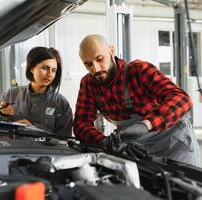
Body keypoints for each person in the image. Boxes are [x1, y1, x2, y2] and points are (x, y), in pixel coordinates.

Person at [73, 34, 200, 166]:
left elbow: (181, 99)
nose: (96, 69)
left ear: (111, 51)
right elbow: (81, 123)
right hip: (138, 150)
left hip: (175, 144)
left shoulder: (138, 71)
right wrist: (103, 141)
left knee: (182, 185)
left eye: (100, 59)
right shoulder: (89, 84)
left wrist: (146, 124)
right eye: (88, 64)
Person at [0, 47, 72, 137]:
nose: (49, 74)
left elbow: (65, 138)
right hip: (13, 149)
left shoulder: (61, 103)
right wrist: (0, 112)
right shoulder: (11, 95)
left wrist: (32, 128)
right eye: (45, 68)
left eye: (53, 70)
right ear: (31, 68)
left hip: (45, 151)